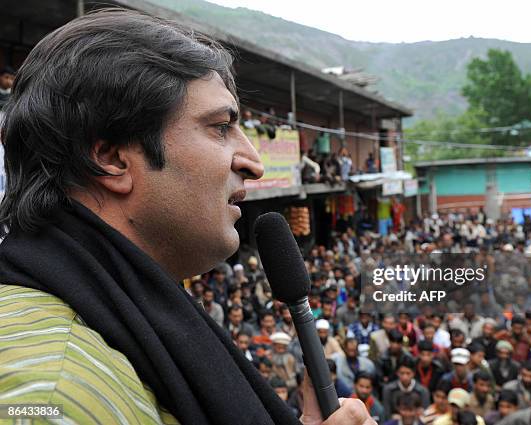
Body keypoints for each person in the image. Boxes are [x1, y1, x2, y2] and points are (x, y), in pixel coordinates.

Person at [0, 10, 376, 425]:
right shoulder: (52, 396)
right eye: (219, 128)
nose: (254, 162)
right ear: (111, 159)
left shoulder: (116, 324)